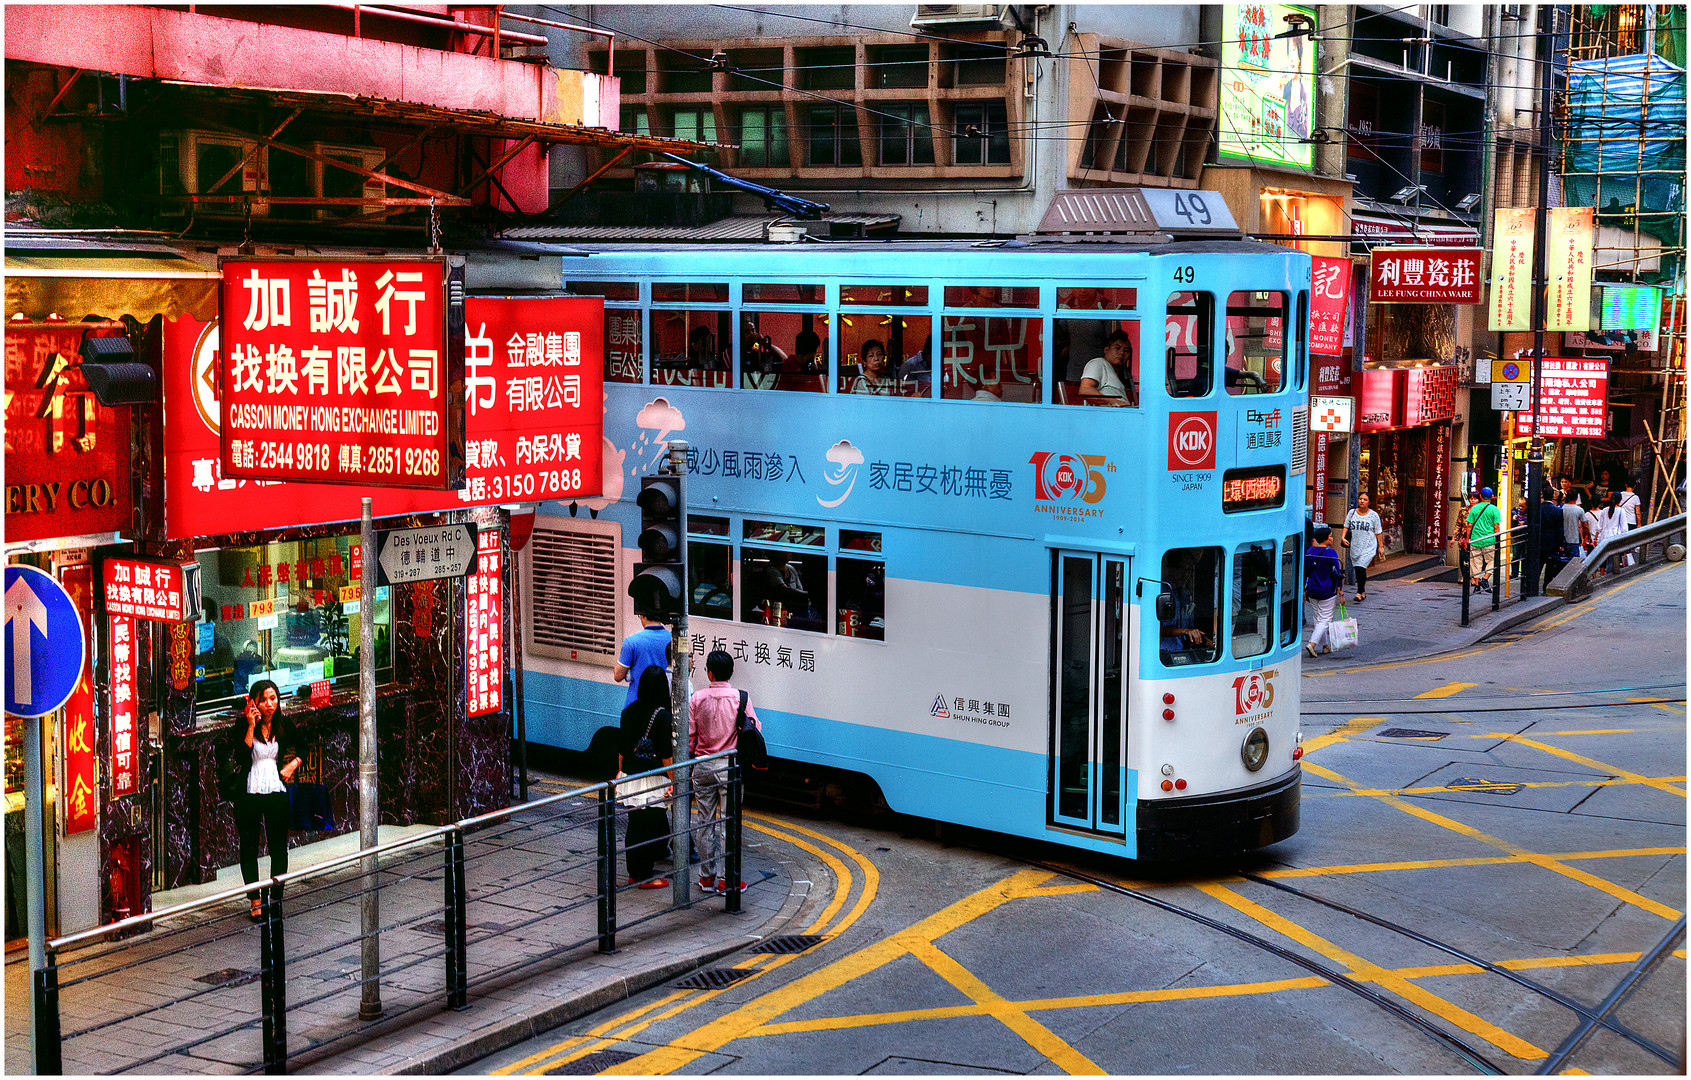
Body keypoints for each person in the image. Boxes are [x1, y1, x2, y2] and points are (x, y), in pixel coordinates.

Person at [688, 650, 761, 895]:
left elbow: (689, 737)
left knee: (704, 821)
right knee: (730, 823)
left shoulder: (697, 698)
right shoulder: (741, 698)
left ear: (709, 672)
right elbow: (755, 727)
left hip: (703, 766)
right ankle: (729, 879)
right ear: (730, 673)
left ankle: (707, 878)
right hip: (729, 766)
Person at [232, 680, 301, 921]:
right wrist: (251, 726)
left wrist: (293, 764)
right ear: (254, 702)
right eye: (263, 700)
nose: (269, 705)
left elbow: (304, 742)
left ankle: (276, 898)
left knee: (278, 847)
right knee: (249, 846)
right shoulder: (243, 725)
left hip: (276, 790)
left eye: (273, 698)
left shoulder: (283, 723)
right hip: (250, 792)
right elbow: (240, 757)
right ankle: (255, 900)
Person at [619, 666, 674, 889]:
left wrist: (620, 773)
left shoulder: (628, 711)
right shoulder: (664, 716)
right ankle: (642, 874)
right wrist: (675, 779)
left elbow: (622, 749)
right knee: (649, 826)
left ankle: (636, 872)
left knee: (635, 824)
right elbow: (666, 756)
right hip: (653, 778)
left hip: (631, 775)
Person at [613, 611, 672, 709]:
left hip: (636, 706)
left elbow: (618, 676)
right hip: (664, 707)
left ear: (643, 616)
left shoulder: (631, 641)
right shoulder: (673, 639)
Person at [1303, 526, 1344, 657]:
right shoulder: (1331, 553)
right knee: (1325, 619)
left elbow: (1305, 571)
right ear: (1326, 539)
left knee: (1318, 618)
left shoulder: (1310, 551)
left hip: (1312, 589)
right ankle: (1312, 644)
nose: (1332, 538)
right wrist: (1341, 592)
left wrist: (1304, 589)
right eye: (1331, 536)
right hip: (1327, 590)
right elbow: (1337, 574)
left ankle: (1325, 646)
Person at [1341, 494, 1382, 602]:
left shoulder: (1374, 516)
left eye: (1365, 499)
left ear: (1369, 502)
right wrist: (1343, 537)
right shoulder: (1352, 513)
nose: (1362, 501)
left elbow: (1378, 532)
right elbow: (1346, 526)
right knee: (1358, 568)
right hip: (1356, 546)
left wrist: (1380, 547)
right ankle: (1362, 591)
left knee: (1361, 567)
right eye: (1360, 499)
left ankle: (1359, 592)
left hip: (1368, 546)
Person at [1077, 329, 1134, 407]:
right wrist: (1115, 402)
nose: (1121, 353)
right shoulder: (1098, 363)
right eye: (1117, 348)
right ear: (1106, 350)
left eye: (1126, 350)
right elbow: (1085, 390)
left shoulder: (1119, 375)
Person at [1466, 487, 1502, 593]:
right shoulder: (1494, 509)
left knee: (1476, 562)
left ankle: (1477, 585)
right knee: (1492, 560)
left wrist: (1468, 538)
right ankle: (1485, 578)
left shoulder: (1474, 508)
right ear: (1492, 497)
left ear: (1480, 496)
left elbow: (1469, 525)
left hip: (1475, 539)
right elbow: (1496, 526)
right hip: (1489, 540)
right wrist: (1498, 538)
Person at [1593, 490, 1630, 574]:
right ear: (1620, 500)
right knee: (1612, 560)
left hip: (1604, 538)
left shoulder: (1604, 510)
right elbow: (1624, 528)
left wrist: (1595, 539)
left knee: (1606, 559)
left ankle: (1606, 575)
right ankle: (1609, 576)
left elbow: (1599, 526)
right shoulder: (1621, 511)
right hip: (1615, 538)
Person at [1539, 488, 1569, 590]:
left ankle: (1533, 585)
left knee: (1538, 564)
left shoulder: (1537, 509)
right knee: (1551, 565)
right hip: (1552, 541)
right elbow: (1560, 529)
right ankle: (1546, 585)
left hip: (1539, 541)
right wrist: (1561, 544)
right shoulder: (1558, 511)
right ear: (1553, 496)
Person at [1561, 485, 1586, 557]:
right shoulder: (1579, 510)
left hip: (1562, 540)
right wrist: (1582, 537)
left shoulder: (1561, 508)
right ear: (1577, 497)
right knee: (1573, 562)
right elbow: (1583, 525)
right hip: (1574, 540)